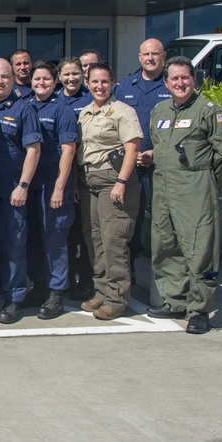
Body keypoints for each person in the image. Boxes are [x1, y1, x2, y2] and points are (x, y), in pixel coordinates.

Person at [147, 56, 222, 334]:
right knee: (166, 244)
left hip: (195, 188)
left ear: (193, 79)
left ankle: (199, 309)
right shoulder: (160, 110)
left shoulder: (208, 111)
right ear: (166, 82)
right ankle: (175, 301)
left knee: (199, 249)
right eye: (174, 78)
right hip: (163, 186)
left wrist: (208, 180)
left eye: (185, 78)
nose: (180, 83)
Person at [76, 63, 143, 320]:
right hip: (89, 180)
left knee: (114, 241)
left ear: (113, 82)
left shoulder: (122, 111)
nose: (99, 86)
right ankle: (102, 291)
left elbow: (132, 148)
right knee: (95, 240)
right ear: (88, 82)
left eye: (104, 81)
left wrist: (122, 182)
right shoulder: (85, 112)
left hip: (112, 181)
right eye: (94, 81)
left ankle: (116, 298)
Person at [0, 58, 41, 325]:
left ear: (14, 79)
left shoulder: (24, 109)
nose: (0, 81)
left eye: (5, 76)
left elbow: (34, 150)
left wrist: (23, 185)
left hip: (10, 192)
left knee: (13, 248)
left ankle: (14, 298)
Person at [24, 60, 78, 319]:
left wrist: (59, 188)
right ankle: (39, 286)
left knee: (54, 239)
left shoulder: (62, 110)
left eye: (46, 79)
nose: (41, 84)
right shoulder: (27, 105)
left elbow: (68, 151)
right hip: (31, 185)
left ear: (55, 82)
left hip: (52, 183)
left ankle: (57, 293)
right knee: (33, 237)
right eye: (37, 79)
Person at [114, 38, 171, 268]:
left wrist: (155, 154)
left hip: (160, 167)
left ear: (163, 56)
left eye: (155, 54)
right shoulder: (126, 86)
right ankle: (132, 268)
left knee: (162, 220)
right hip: (131, 168)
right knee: (131, 221)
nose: (150, 58)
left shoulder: (171, 84)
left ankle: (164, 273)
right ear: (139, 57)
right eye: (146, 54)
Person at [57, 56, 95, 301]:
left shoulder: (92, 99)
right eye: (66, 74)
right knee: (67, 234)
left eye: (75, 73)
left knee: (86, 233)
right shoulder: (54, 99)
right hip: (62, 176)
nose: (71, 78)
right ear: (59, 77)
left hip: (85, 174)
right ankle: (67, 279)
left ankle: (87, 280)